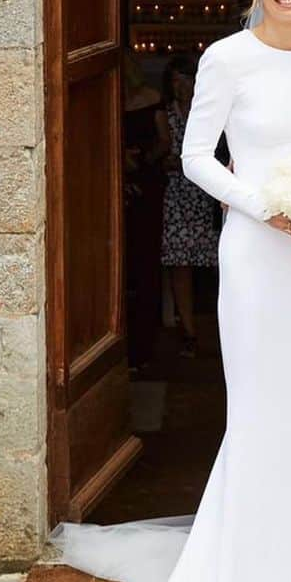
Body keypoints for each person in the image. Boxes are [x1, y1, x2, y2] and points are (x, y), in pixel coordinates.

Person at [0, 0, 291, 582]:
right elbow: (195, 158)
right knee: (259, 416)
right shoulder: (227, 58)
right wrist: (264, 205)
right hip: (260, 256)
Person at [156, 54, 218, 358]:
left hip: (209, 194)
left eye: (189, 77)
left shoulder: (210, 111)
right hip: (178, 196)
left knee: (221, 263)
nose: (184, 85)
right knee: (180, 264)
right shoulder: (165, 114)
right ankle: (189, 332)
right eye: (177, 79)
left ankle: (225, 333)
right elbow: (164, 153)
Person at [123, 51, 167, 374]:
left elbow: (165, 141)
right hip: (120, 187)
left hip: (147, 185)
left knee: (146, 263)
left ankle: (145, 346)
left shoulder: (152, 100)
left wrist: (144, 159)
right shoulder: (110, 100)